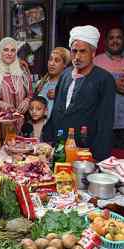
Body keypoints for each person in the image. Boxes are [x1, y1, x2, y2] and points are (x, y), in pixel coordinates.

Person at [42, 25, 116, 161]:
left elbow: (105, 123)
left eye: (83, 51)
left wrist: (97, 158)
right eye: (74, 51)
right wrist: (46, 142)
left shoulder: (104, 79)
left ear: (93, 53)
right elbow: (56, 112)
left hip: (86, 153)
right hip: (59, 149)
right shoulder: (65, 75)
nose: (77, 56)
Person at [0, 37, 32, 132]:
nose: (9, 53)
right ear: (0, 51)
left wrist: (27, 101)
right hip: (2, 124)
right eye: (5, 50)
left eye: (13, 50)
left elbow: (30, 93)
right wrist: (1, 104)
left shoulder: (22, 70)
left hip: (23, 123)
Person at [94, 27, 124, 148]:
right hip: (103, 124)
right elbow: (87, 90)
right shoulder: (96, 61)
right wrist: (112, 84)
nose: (115, 41)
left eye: (119, 37)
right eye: (111, 38)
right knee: (104, 160)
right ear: (105, 42)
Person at [34, 47, 71, 118]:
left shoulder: (67, 85)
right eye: (50, 59)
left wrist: (60, 96)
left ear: (64, 64)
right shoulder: (40, 83)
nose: (52, 63)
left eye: (57, 61)